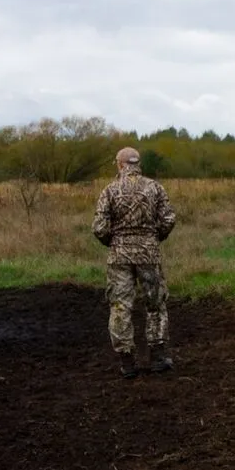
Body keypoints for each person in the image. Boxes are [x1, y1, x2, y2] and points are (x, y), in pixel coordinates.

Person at [92, 146, 178, 378]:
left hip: (119, 257)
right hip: (148, 254)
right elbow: (169, 218)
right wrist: (153, 237)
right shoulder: (154, 188)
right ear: (137, 164)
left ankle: (127, 362)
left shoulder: (109, 191)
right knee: (155, 304)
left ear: (120, 164)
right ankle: (159, 358)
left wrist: (115, 242)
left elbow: (99, 228)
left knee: (120, 307)